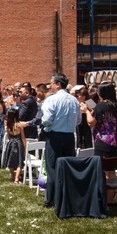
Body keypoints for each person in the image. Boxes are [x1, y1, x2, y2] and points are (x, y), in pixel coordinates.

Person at [40, 72, 80, 207]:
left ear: (58, 84)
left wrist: (48, 125)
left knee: (52, 168)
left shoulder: (52, 99)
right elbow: (79, 120)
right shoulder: (74, 100)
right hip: (69, 136)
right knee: (67, 167)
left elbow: (46, 120)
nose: (49, 86)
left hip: (55, 136)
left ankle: (51, 199)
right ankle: (66, 197)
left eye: (51, 83)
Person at [83, 83, 117, 159]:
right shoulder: (115, 105)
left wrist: (86, 111)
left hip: (103, 140)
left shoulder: (101, 105)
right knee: (112, 168)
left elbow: (91, 123)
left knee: (102, 167)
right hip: (116, 140)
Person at [3, 107, 29, 184]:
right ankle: (17, 178)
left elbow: (8, 136)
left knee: (11, 160)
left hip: (11, 143)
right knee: (20, 161)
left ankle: (12, 176)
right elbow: (23, 138)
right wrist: (25, 146)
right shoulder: (19, 125)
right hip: (18, 144)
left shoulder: (8, 125)